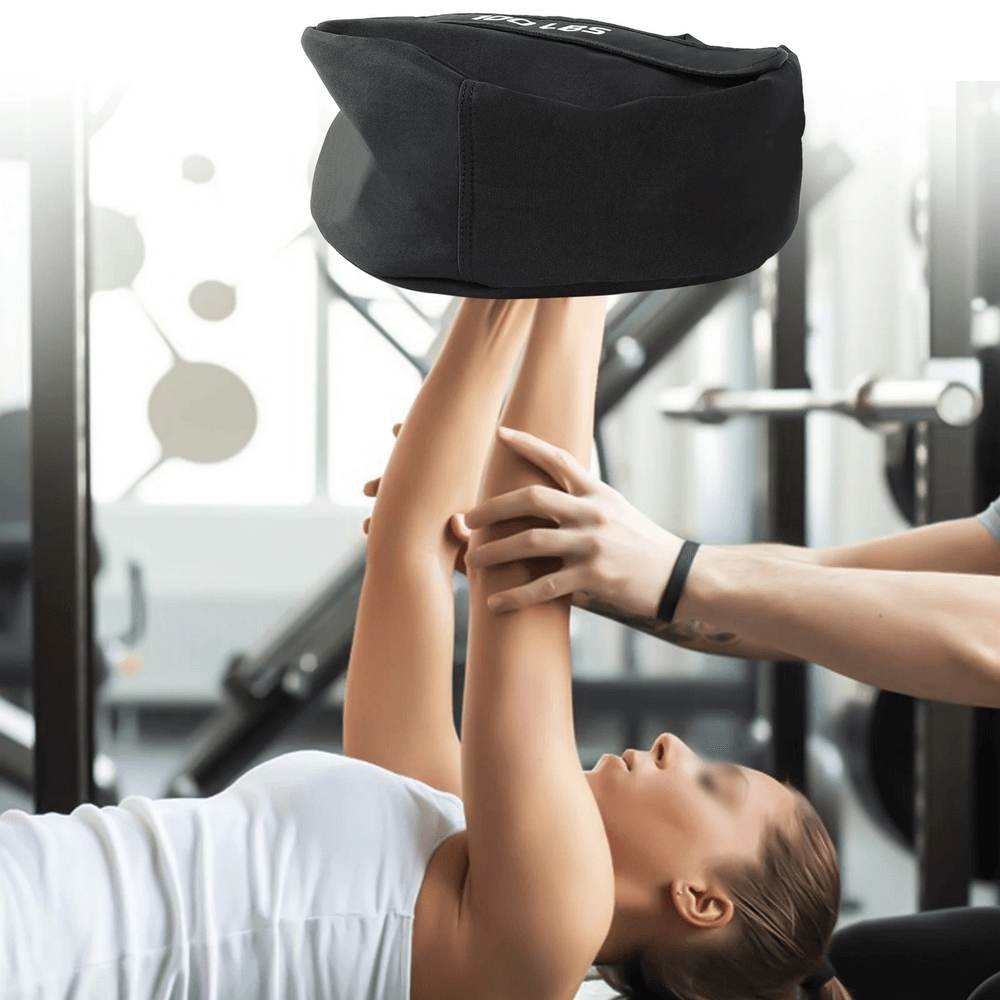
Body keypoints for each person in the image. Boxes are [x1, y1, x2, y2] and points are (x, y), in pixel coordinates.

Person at [354, 295, 849, 1000]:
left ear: (701, 901)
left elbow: (522, 563)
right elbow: (410, 544)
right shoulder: (446, 841)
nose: (675, 742)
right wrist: (503, 277)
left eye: (712, 782)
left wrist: (582, 272)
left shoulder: (549, 941)